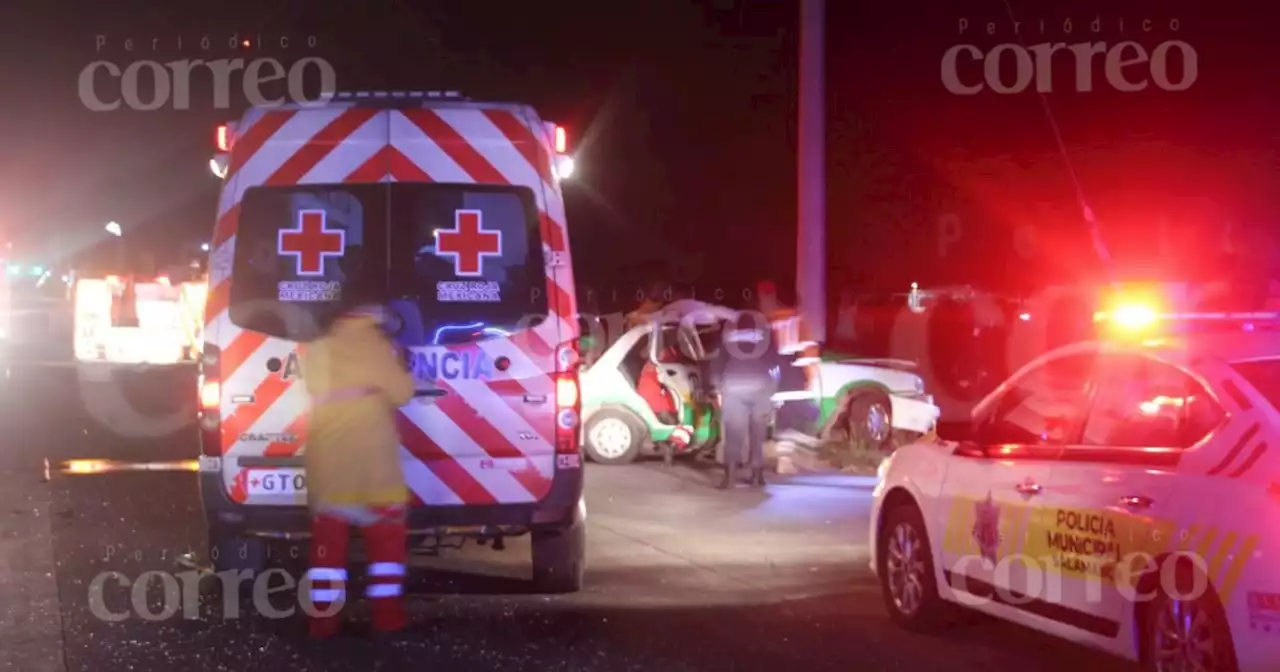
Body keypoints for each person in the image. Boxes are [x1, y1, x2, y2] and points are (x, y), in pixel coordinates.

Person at [299, 280, 416, 639]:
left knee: (328, 554)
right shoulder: (380, 347)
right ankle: (386, 616)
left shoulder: (318, 350)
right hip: (374, 470)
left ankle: (323, 620)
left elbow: (315, 388)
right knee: (386, 548)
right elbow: (405, 392)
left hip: (331, 464)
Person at [708, 309, 787, 489]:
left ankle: (730, 477)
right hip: (760, 390)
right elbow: (775, 364)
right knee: (757, 434)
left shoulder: (726, 337)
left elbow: (716, 363)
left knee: (733, 435)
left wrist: (717, 387)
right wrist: (773, 389)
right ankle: (756, 476)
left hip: (733, 390)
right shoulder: (765, 337)